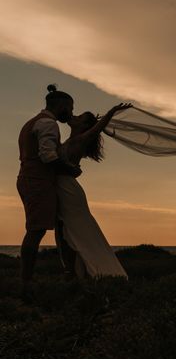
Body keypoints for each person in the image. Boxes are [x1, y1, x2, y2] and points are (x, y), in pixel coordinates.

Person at [55, 102, 132, 280]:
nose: (74, 116)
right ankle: (77, 273)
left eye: (79, 117)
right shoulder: (67, 141)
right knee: (65, 233)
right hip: (63, 188)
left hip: (69, 191)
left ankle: (102, 271)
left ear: (84, 126)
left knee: (80, 232)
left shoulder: (80, 140)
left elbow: (96, 129)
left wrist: (111, 112)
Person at [17, 85, 79, 302]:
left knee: (46, 228)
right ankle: (26, 284)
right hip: (38, 182)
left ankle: (67, 273)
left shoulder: (33, 122)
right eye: (70, 108)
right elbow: (48, 156)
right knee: (35, 230)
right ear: (60, 105)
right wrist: (70, 169)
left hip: (31, 179)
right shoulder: (48, 124)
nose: (70, 113)